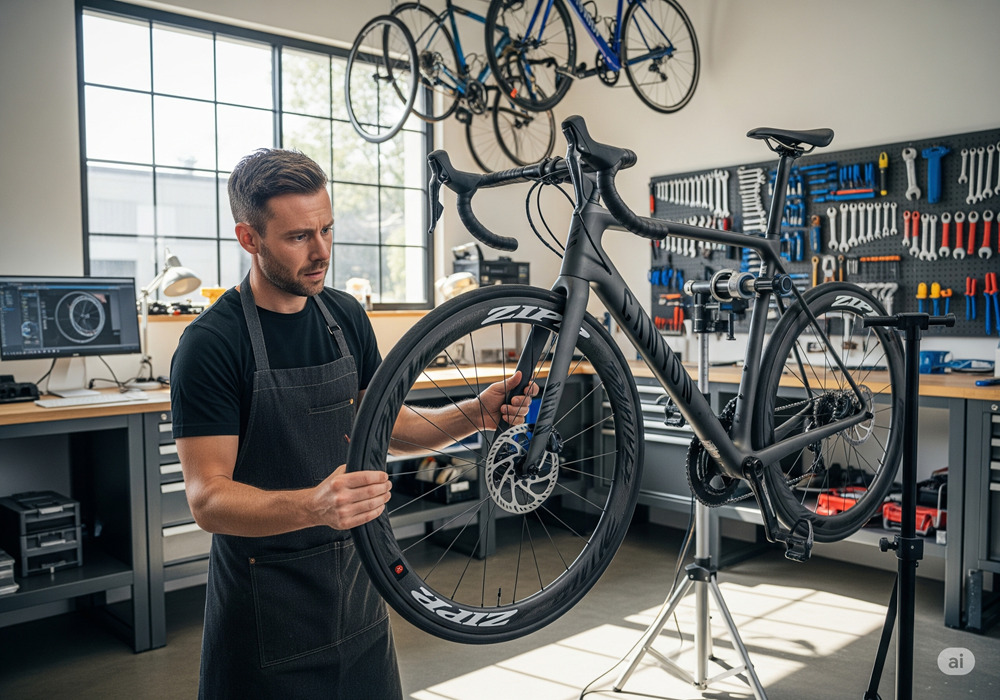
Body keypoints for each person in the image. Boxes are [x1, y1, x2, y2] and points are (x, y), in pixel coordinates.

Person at [170, 148, 535, 698]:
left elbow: (383, 427)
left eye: (327, 229)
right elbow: (208, 500)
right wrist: (313, 505)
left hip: (360, 596)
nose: (321, 252)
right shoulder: (211, 345)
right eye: (298, 237)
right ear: (250, 239)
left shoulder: (345, 316)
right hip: (267, 614)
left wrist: (475, 414)